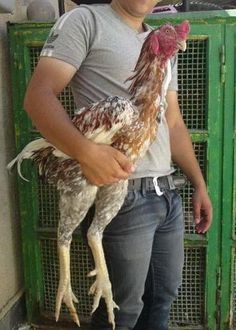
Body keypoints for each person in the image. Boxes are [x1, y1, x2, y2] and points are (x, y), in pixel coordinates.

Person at [24, 0, 213, 329]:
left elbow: (173, 121)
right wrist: (85, 152)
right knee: (121, 312)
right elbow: (38, 96)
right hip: (123, 194)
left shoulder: (159, 41)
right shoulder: (85, 21)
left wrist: (199, 182)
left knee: (162, 299)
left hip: (167, 193)